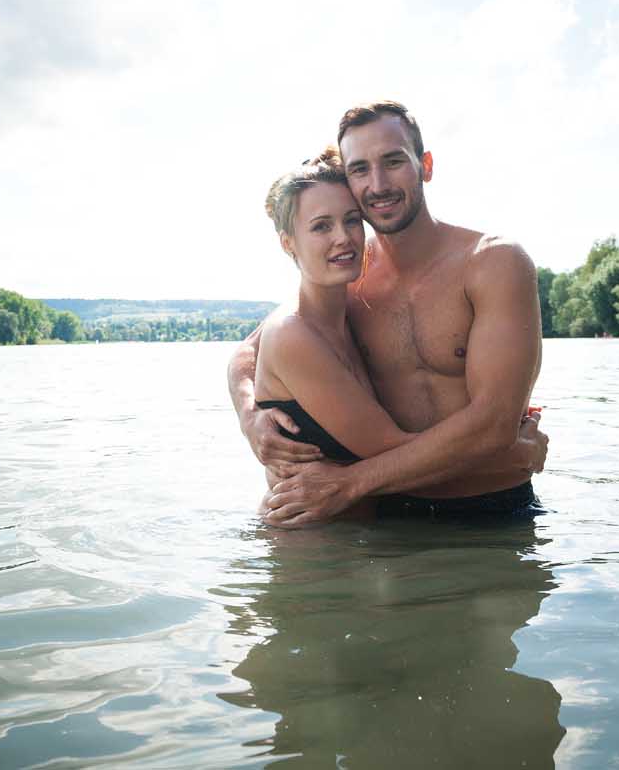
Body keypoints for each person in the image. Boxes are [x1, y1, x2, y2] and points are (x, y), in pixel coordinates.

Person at [228, 102, 548, 526]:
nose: (378, 184)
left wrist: (350, 482)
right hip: (389, 516)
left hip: (493, 514)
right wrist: (250, 416)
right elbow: (249, 352)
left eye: (393, 161)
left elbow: (492, 424)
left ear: (425, 165)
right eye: (359, 169)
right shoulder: (351, 270)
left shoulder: (492, 264)